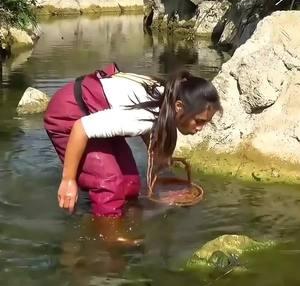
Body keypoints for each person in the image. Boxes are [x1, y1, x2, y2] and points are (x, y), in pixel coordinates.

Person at [44, 63, 222, 220]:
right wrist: (68, 180)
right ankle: (108, 239)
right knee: (109, 182)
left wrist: (159, 160)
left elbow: (147, 129)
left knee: (130, 182)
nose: (200, 128)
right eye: (199, 121)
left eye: (205, 122)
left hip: (94, 114)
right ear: (179, 107)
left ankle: (117, 215)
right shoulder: (144, 116)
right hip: (69, 113)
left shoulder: (168, 97)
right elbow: (81, 128)